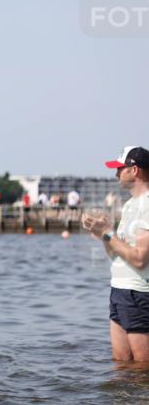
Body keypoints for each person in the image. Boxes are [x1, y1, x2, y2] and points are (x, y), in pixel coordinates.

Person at [83, 145, 149, 362]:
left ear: (135, 170)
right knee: (120, 363)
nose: (116, 173)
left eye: (120, 168)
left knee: (142, 367)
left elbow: (139, 259)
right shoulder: (130, 205)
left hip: (139, 293)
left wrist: (109, 234)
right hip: (119, 290)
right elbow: (116, 256)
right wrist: (102, 234)